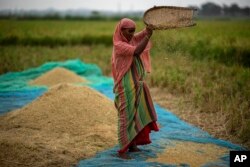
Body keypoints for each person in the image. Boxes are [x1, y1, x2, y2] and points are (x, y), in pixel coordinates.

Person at [111, 18, 159, 158]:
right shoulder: (119, 45)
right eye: (129, 31)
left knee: (135, 113)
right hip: (125, 85)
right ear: (121, 31)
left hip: (136, 83)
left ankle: (133, 145)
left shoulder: (130, 39)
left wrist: (148, 30)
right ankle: (122, 149)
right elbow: (137, 51)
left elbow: (141, 35)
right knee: (126, 116)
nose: (132, 34)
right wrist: (148, 36)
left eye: (133, 31)